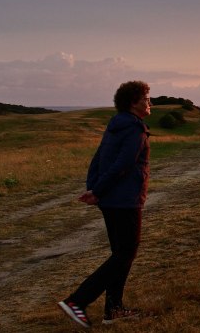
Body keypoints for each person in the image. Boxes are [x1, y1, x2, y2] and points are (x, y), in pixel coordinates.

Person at [58, 81, 152, 328]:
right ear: (134, 102)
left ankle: (114, 309)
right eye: (146, 98)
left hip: (111, 200)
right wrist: (96, 190)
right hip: (125, 200)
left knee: (120, 254)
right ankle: (77, 301)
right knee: (126, 253)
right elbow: (123, 164)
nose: (149, 102)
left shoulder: (115, 126)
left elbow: (98, 159)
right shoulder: (134, 129)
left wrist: (94, 190)